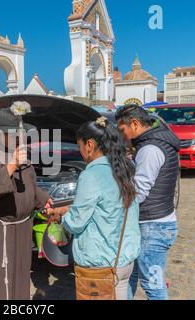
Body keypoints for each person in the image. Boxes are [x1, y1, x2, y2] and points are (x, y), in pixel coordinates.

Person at [46, 117, 141, 300]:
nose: (80, 150)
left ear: (89, 144)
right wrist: (70, 209)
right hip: (124, 259)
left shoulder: (91, 174)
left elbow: (76, 223)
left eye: (79, 145)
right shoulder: (123, 168)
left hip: (101, 264)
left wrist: (61, 217)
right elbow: (107, 208)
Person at [0, 108, 52, 300]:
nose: (20, 138)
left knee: (19, 276)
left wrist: (43, 200)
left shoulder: (20, 154)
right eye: (16, 135)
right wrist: (11, 165)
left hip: (22, 229)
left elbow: (29, 185)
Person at [116, 105, 180, 300]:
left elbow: (140, 191)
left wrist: (114, 204)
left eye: (122, 130)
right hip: (155, 224)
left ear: (134, 124)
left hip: (152, 228)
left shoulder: (150, 149)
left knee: (154, 287)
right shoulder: (156, 143)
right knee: (131, 276)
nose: (122, 136)